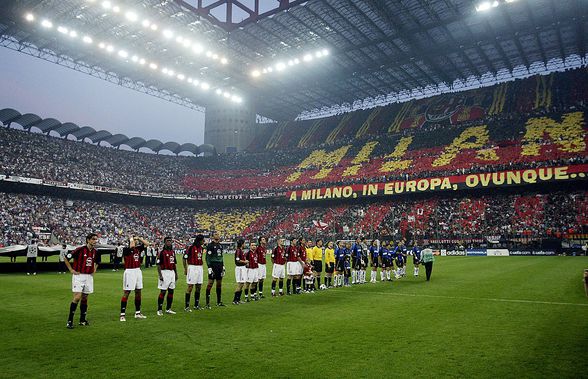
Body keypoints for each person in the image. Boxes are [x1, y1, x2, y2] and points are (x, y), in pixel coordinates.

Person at [64, 233, 99, 329]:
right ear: (88, 240)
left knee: (85, 298)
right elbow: (66, 257)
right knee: (77, 297)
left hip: (89, 277)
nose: (95, 241)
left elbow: (97, 262)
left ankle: (82, 320)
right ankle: (70, 321)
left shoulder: (95, 251)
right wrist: (71, 270)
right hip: (79, 276)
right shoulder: (80, 250)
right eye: (93, 239)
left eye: (96, 239)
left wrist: (95, 269)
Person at [120, 236, 149, 321]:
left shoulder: (138, 249)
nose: (135, 241)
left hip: (137, 271)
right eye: (134, 240)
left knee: (138, 291)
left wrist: (139, 238)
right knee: (127, 292)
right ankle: (122, 314)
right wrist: (131, 238)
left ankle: (137, 313)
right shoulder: (126, 249)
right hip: (129, 271)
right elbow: (132, 246)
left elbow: (147, 244)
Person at [156, 237, 178, 315]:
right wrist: (160, 275)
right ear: (164, 242)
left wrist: (176, 274)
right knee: (163, 291)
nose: (169, 243)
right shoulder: (162, 252)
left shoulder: (172, 252)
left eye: (170, 241)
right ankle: (159, 309)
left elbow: (174, 264)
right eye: (167, 241)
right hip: (164, 272)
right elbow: (158, 264)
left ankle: (168, 309)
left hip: (172, 272)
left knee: (171, 291)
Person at [183, 235, 205, 311]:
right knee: (190, 287)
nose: (204, 241)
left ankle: (196, 305)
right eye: (203, 240)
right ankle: (187, 306)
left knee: (199, 286)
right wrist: (185, 269)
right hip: (192, 267)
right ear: (199, 240)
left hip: (199, 267)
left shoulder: (201, 248)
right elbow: (184, 258)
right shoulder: (191, 248)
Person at [205, 231, 226, 308]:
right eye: (216, 234)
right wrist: (209, 267)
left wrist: (223, 266)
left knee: (219, 284)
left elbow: (221, 257)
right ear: (212, 236)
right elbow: (207, 257)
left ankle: (219, 302)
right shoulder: (210, 245)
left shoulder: (220, 245)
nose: (218, 235)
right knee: (210, 284)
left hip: (219, 266)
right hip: (213, 265)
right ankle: (207, 303)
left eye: (218, 234)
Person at [233, 239, 248, 304]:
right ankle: (235, 300)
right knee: (240, 284)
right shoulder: (238, 251)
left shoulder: (241, 251)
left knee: (242, 284)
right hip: (240, 268)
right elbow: (237, 260)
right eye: (244, 243)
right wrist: (245, 261)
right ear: (242, 244)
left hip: (242, 268)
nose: (245, 245)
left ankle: (238, 299)